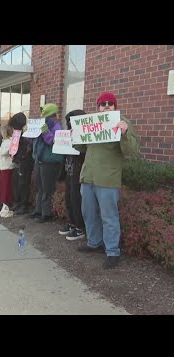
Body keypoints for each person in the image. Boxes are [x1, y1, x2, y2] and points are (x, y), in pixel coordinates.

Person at [75, 92, 139, 269]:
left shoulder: (122, 122)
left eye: (110, 103)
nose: (106, 106)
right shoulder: (93, 123)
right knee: (88, 212)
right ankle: (94, 242)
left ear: (115, 106)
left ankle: (112, 251)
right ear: (98, 107)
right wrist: (76, 135)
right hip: (88, 176)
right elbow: (80, 147)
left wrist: (125, 133)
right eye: (103, 103)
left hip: (108, 178)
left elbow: (131, 151)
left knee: (109, 216)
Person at [28, 103, 64, 223]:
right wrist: (28, 132)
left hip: (49, 160)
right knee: (39, 187)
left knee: (46, 188)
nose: (42, 115)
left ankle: (46, 213)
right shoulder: (42, 123)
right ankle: (38, 210)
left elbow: (53, 141)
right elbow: (31, 139)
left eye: (44, 113)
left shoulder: (56, 125)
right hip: (39, 159)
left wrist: (45, 131)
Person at [58, 110, 86, 241]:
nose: (69, 124)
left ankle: (79, 227)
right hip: (69, 170)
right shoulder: (68, 133)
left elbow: (83, 152)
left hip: (78, 172)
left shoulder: (84, 135)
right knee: (69, 198)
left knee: (76, 200)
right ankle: (72, 223)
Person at [8, 112, 34, 215]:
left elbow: (28, 148)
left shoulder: (26, 133)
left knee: (24, 183)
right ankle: (18, 201)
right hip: (19, 159)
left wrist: (21, 155)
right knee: (17, 182)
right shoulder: (18, 133)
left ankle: (24, 204)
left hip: (25, 160)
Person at [0, 125, 15, 218]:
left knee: (6, 186)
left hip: (7, 166)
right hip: (4, 166)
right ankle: (5, 201)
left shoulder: (8, 142)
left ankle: (5, 202)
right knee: (4, 185)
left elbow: (3, 152)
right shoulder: (5, 141)